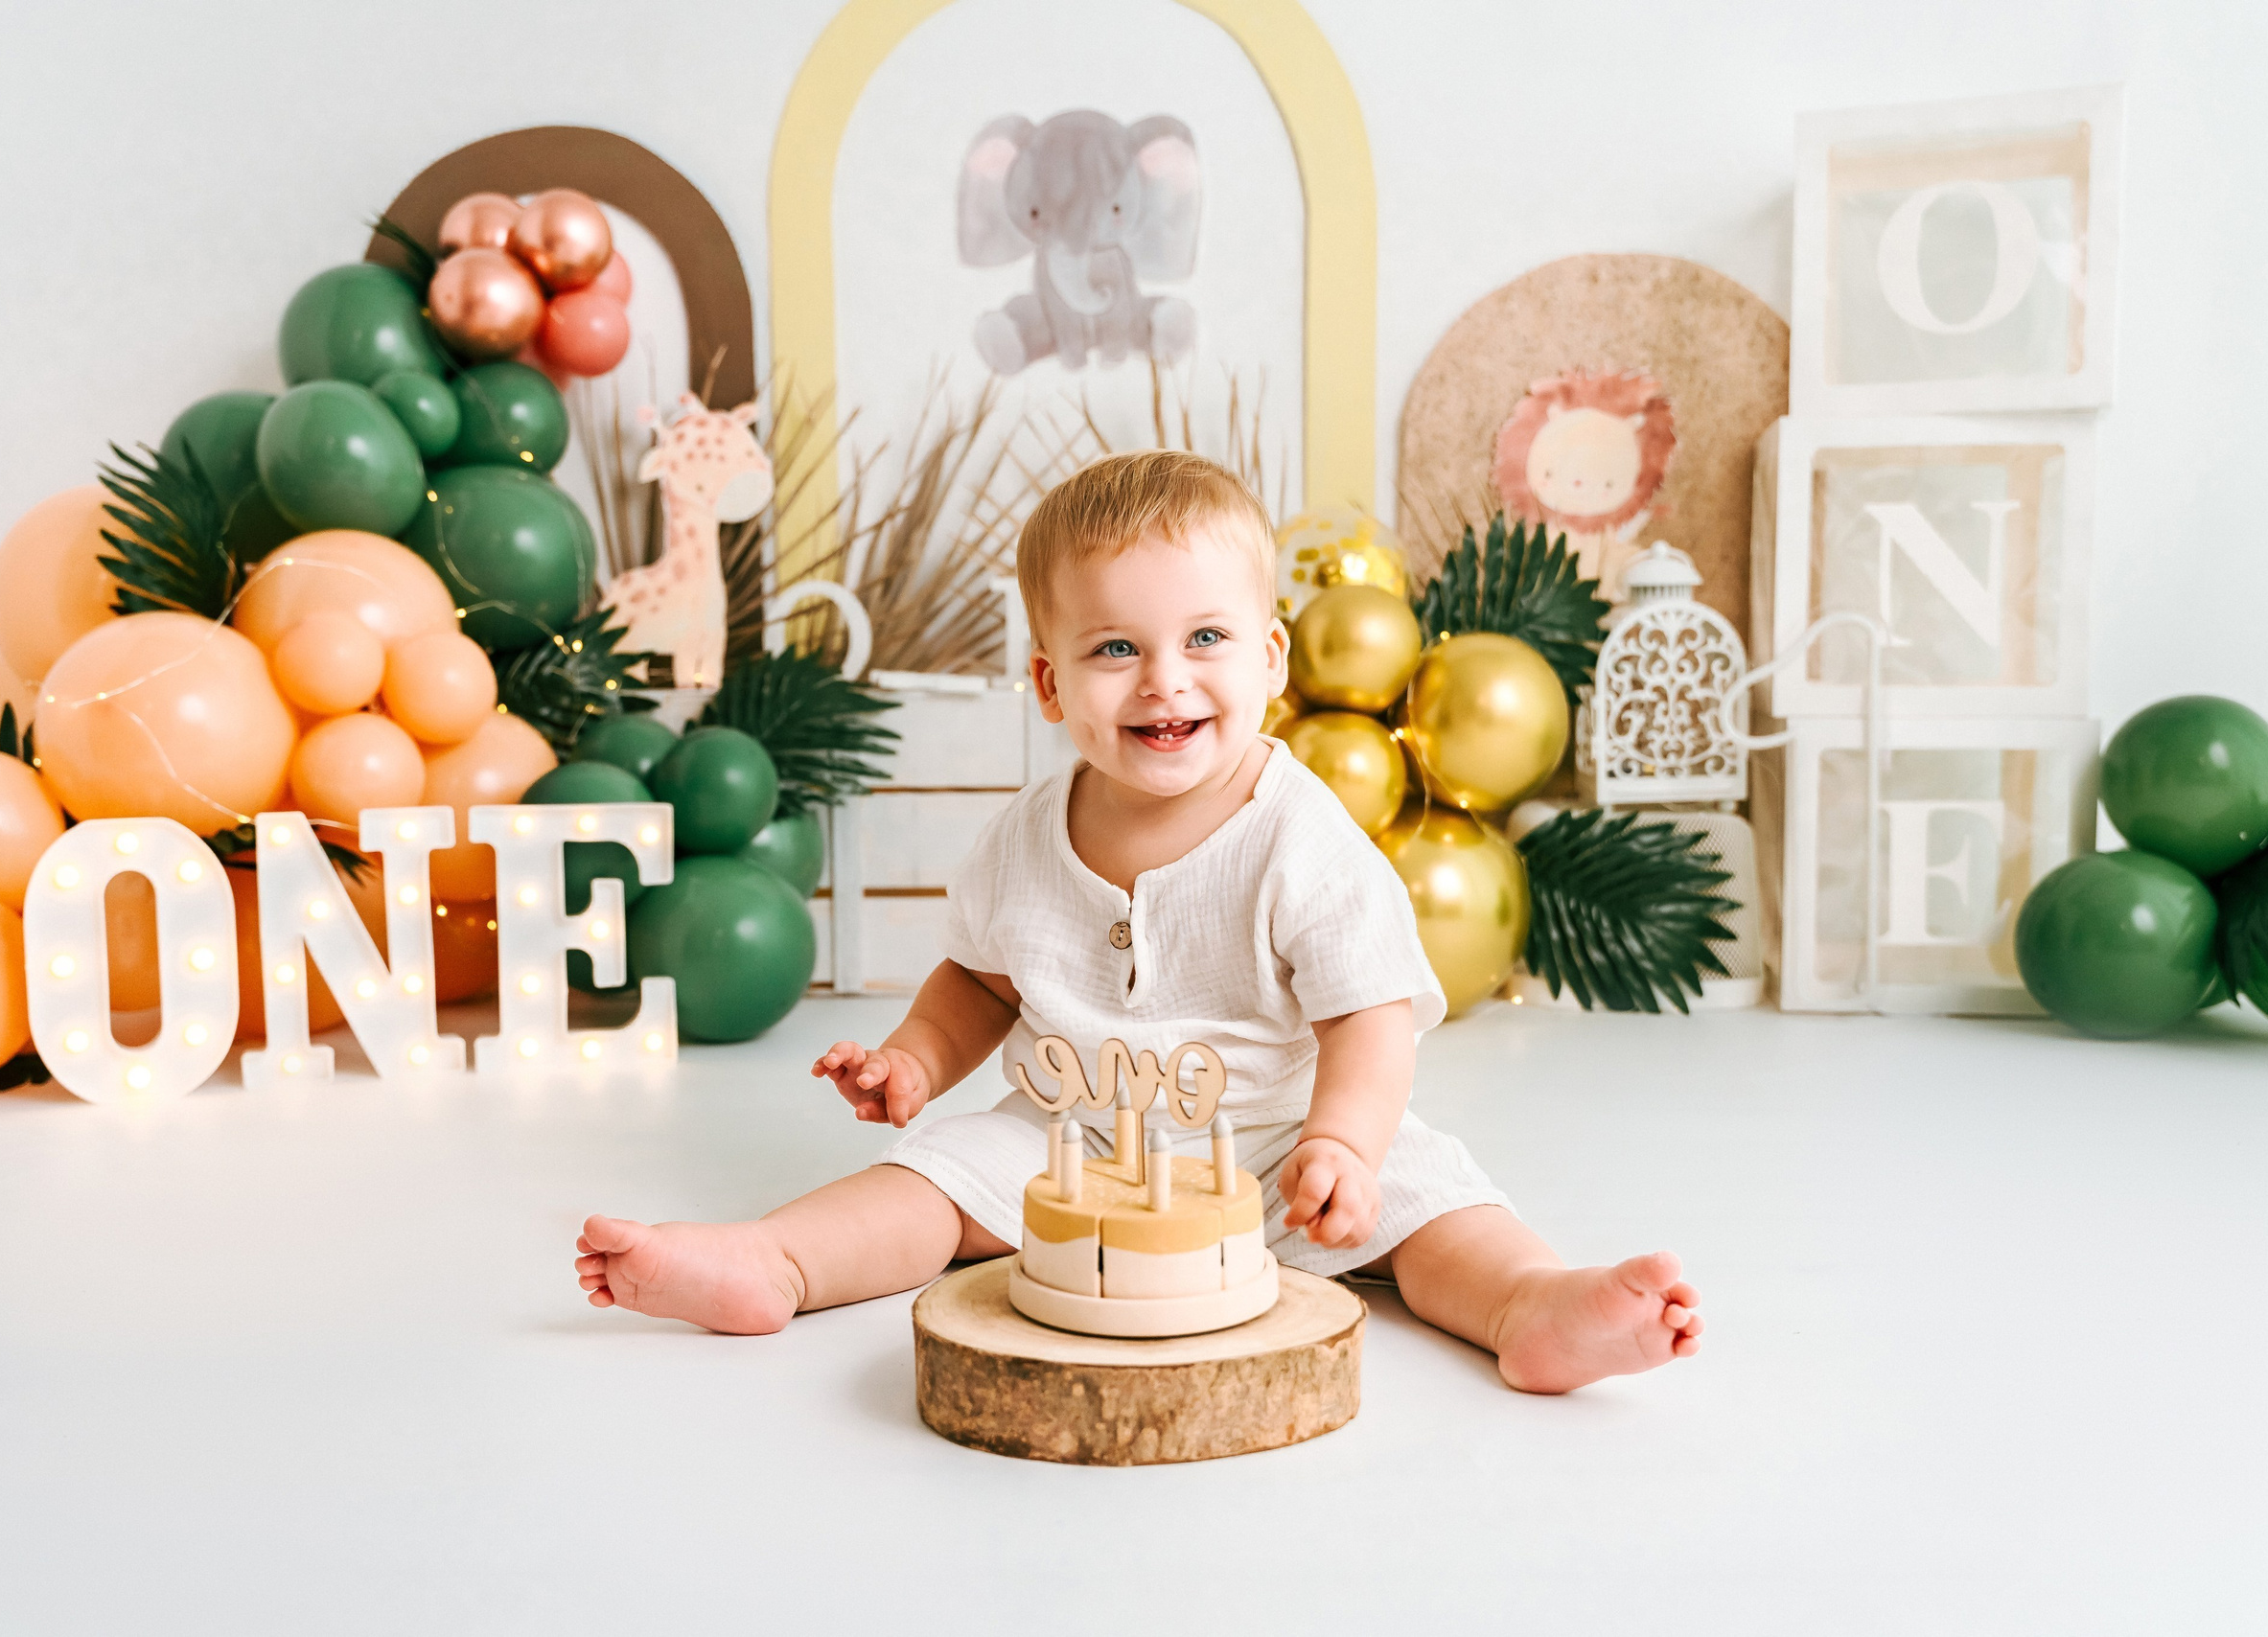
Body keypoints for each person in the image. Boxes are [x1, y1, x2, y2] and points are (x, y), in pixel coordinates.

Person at [572, 450, 1701, 1393]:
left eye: (1206, 639)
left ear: (1269, 659)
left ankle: (1528, 1307)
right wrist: (914, 1058)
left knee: (1433, 1205)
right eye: (1115, 648)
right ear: (1050, 683)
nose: (1164, 679)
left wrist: (1344, 1144)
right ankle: (774, 1259)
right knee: (934, 1179)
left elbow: (1369, 1016)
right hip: (1071, 1148)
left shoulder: (1301, 836)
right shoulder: (1023, 836)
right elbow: (983, 980)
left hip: (1279, 1146)